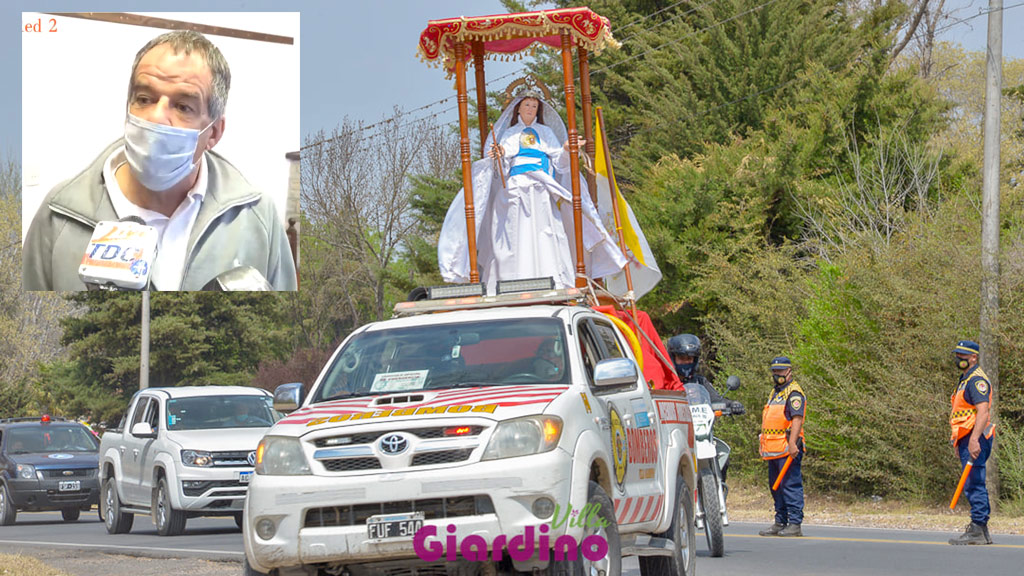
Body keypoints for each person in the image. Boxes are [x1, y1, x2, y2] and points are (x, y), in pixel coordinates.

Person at [23, 30, 296, 291]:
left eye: (182, 106)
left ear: (213, 132)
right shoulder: (58, 214)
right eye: (144, 99)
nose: (155, 116)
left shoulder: (257, 218)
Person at [437, 89, 626, 291]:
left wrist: (566, 150)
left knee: (546, 233)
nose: (530, 109)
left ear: (539, 110)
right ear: (518, 107)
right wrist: (499, 154)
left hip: (541, 189)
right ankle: (509, 280)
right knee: (512, 236)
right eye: (526, 104)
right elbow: (500, 166)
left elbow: (561, 165)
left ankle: (552, 277)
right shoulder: (509, 134)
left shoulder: (546, 133)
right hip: (515, 189)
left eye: (534, 105)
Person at [666, 334, 744, 491]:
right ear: (673, 358)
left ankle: (718, 491)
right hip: (675, 438)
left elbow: (714, 398)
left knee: (722, 453)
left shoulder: (699, 382)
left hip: (700, 434)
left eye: (690, 358)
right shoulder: (666, 382)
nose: (686, 362)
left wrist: (732, 404)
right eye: (682, 358)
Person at [948, 339, 995, 545]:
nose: (959, 359)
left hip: (975, 437)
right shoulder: (965, 379)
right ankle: (980, 530)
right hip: (967, 438)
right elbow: (962, 415)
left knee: (974, 482)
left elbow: (983, 412)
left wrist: (974, 440)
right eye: (957, 355)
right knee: (972, 482)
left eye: (963, 356)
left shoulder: (977, 380)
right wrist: (959, 442)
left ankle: (978, 526)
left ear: (973, 357)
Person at [759, 356, 805, 537]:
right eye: (774, 371)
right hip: (773, 449)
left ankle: (794, 523)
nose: (777, 374)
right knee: (775, 486)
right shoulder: (775, 392)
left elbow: (797, 419)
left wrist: (793, 443)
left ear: (789, 371)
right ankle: (780, 521)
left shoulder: (794, 393)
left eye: (780, 371)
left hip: (788, 449)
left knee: (790, 485)